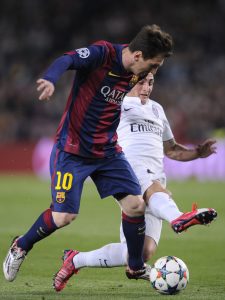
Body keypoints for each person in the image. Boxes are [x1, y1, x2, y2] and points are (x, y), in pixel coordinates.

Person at [3, 24, 174, 289]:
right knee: (64, 217)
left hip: (107, 150)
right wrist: (50, 78)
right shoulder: (103, 54)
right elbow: (67, 59)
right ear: (138, 56)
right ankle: (21, 245)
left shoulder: (134, 74)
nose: (153, 72)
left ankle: (136, 265)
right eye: (153, 65)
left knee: (136, 206)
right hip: (72, 151)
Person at [52, 72, 217, 290]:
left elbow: (173, 151)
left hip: (156, 177)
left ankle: (75, 259)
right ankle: (178, 217)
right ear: (129, 81)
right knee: (152, 188)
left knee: (139, 253)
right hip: (127, 169)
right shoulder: (115, 104)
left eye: (150, 83)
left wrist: (197, 153)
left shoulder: (157, 109)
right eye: (141, 82)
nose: (146, 88)